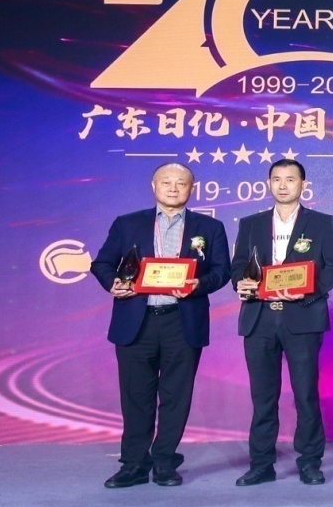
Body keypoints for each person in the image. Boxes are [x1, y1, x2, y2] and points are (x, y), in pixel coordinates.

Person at [90, 163, 231, 488]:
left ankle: (165, 462)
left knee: (176, 396)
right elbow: (102, 263)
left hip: (182, 321)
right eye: (166, 182)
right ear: (154, 186)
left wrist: (199, 284)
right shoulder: (127, 223)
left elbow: (222, 271)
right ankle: (134, 465)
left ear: (191, 189)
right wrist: (112, 283)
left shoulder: (210, 227)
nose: (173, 188)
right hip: (136, 321)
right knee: (136, 397)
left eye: (181, 183)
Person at [230, 159, 333, 486]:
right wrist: (240, 283)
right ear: (268, 183)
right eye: (277, 179)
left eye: (290, 179)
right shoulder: (251, 224)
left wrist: (308, 291)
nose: (283, 185)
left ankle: (309, 462)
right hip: (259, 318)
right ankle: (261, 464)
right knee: (262, 397)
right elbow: (238, 266)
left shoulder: (322, 223)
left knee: (305, 395)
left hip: (302, 317)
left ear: (302, 185)